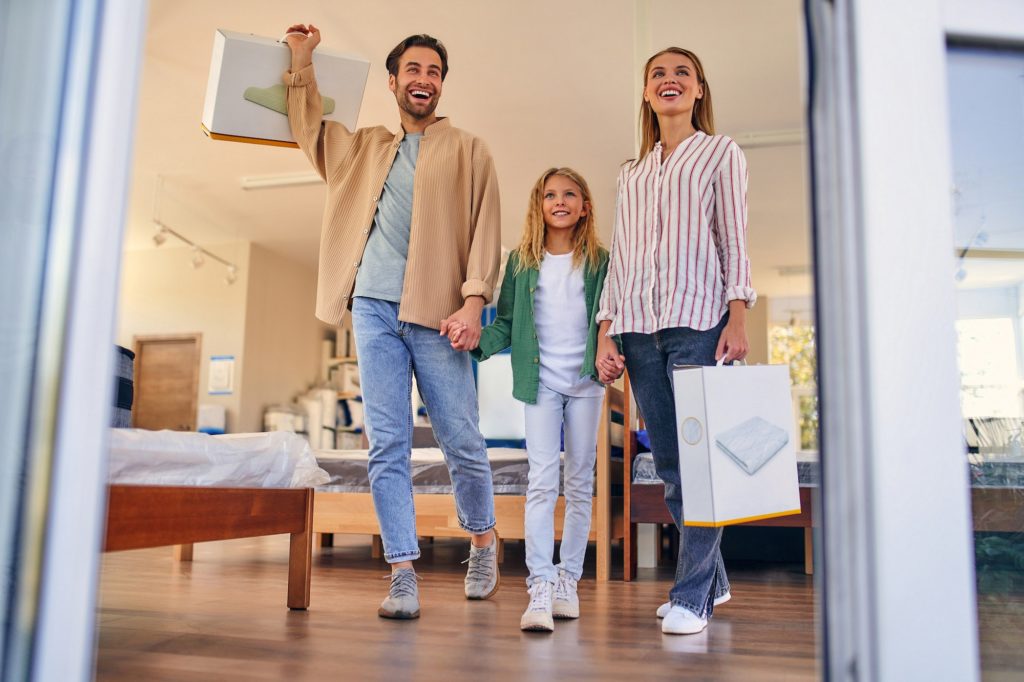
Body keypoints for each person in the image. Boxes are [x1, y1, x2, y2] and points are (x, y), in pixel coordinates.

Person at [283, 24, 502, 620]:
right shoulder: (363, 148)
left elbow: (486, 231)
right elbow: (306, 127)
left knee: (460, 437)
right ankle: (402, 572)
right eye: (413, 70)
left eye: (433, 71)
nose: (423, 79)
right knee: (387, 443)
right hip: (372, 310)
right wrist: (302, 59)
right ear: (393, 81)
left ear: (441, 84)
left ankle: (484, 541)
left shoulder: (469, 150)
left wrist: (475, 301)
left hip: (436, 312)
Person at [595, 47, 756, 635]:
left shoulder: (720, 152)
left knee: (701, 463)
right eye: (658, 74)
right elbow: (621, 259)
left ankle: (692, 595)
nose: (669, 81)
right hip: (638, 329)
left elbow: (734, 237)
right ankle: (711, 579)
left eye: (680, 74)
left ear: (699, 89)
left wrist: (738, 316)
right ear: (645, 92)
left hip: (698, 323)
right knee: (668, 464)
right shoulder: (630, 173)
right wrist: (605, 329)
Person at [449, 167, 609, 633]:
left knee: (579, 483)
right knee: (542, 481)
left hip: (585, 383)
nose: (559, 201)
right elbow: (505, 324)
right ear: (539, 205)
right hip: (538, 384)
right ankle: (539, 584)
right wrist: (475, 339)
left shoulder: (600, 260)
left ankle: (568, 582)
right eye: (550, 195)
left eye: (570, 194)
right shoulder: (520, 263)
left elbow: (610, 320)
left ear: (585, 206)